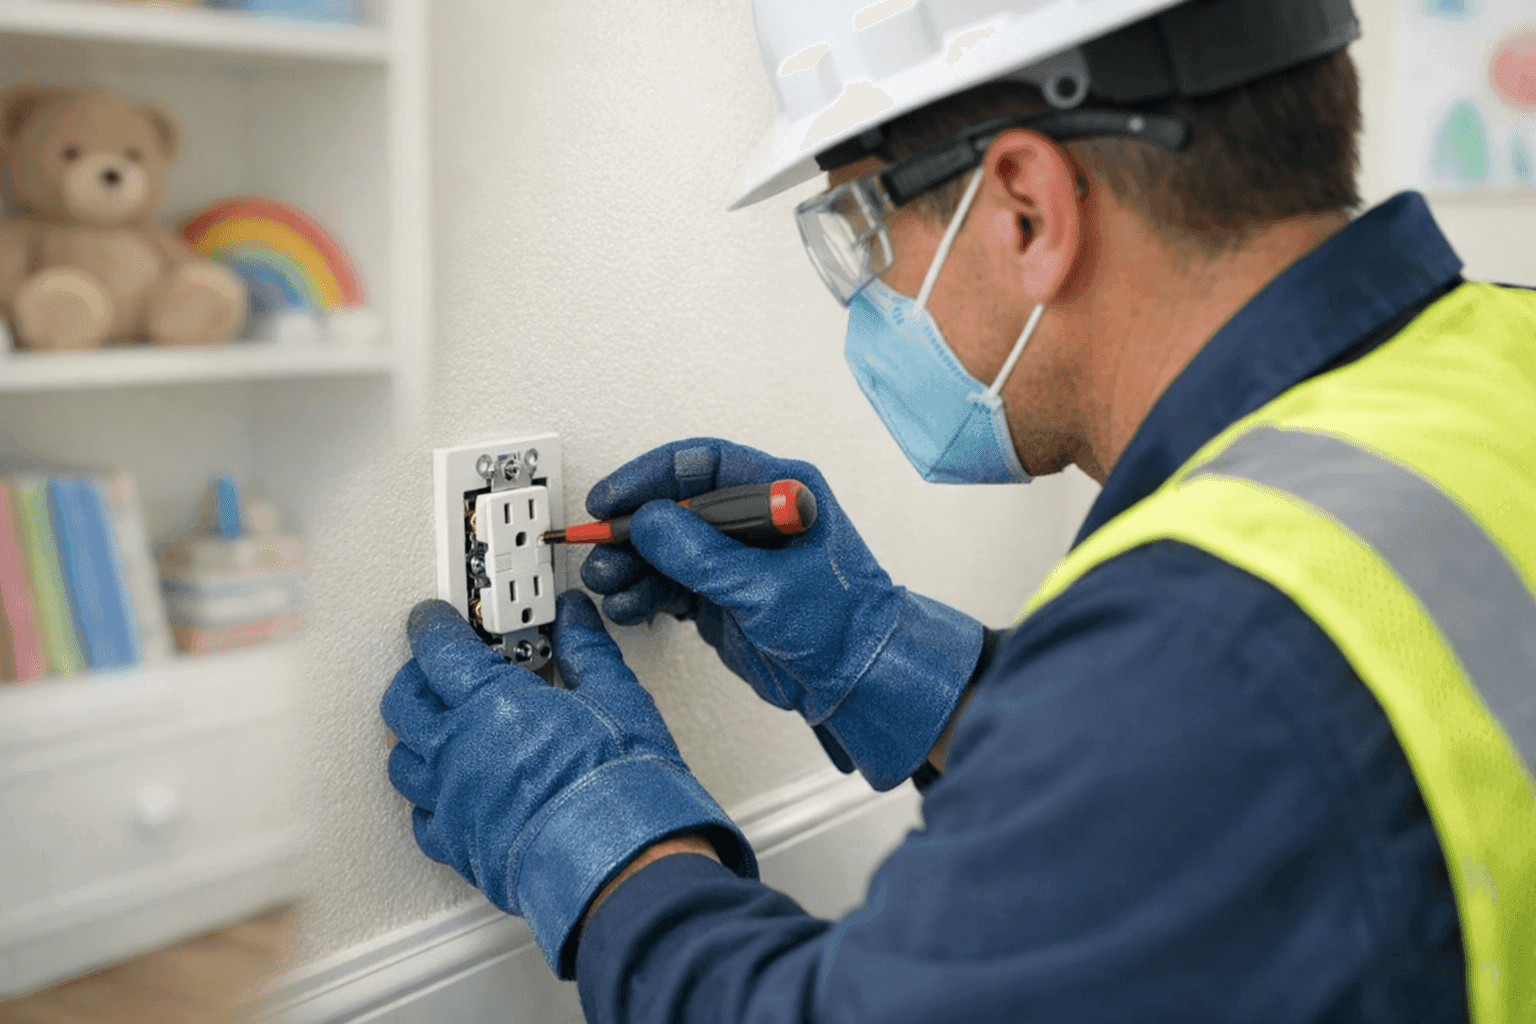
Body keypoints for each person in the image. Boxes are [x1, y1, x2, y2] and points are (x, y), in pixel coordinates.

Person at [380, 0, 1536, 1021]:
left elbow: (1224, 727)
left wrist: (584, 830)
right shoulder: (1503, 349)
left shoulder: (1212, 645)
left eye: (862, 232)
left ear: (1027, 209)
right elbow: (1264, 804)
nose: (872, 294)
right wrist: (883, 654)